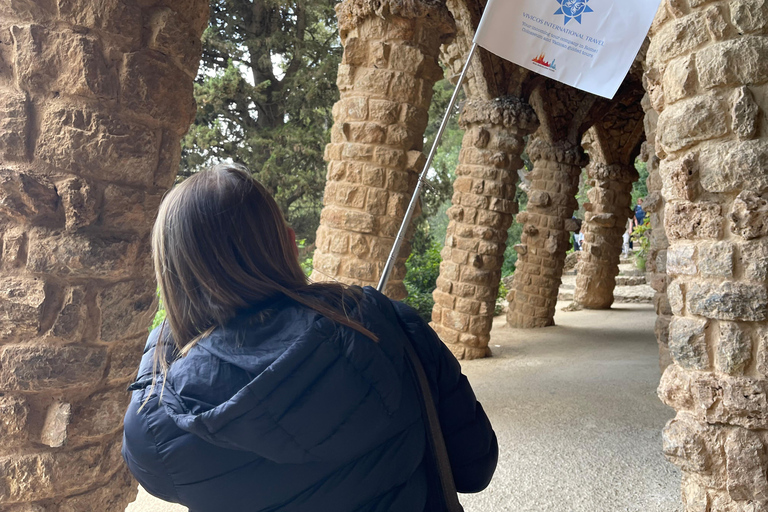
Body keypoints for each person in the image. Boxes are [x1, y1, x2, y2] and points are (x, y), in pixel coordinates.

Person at [122, 164, 498, 512]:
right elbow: (474, 468)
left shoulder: (160, 420)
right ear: (289, 242)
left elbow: (155, 477)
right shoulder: (388, 326)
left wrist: (167, 333)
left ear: (169, 278)